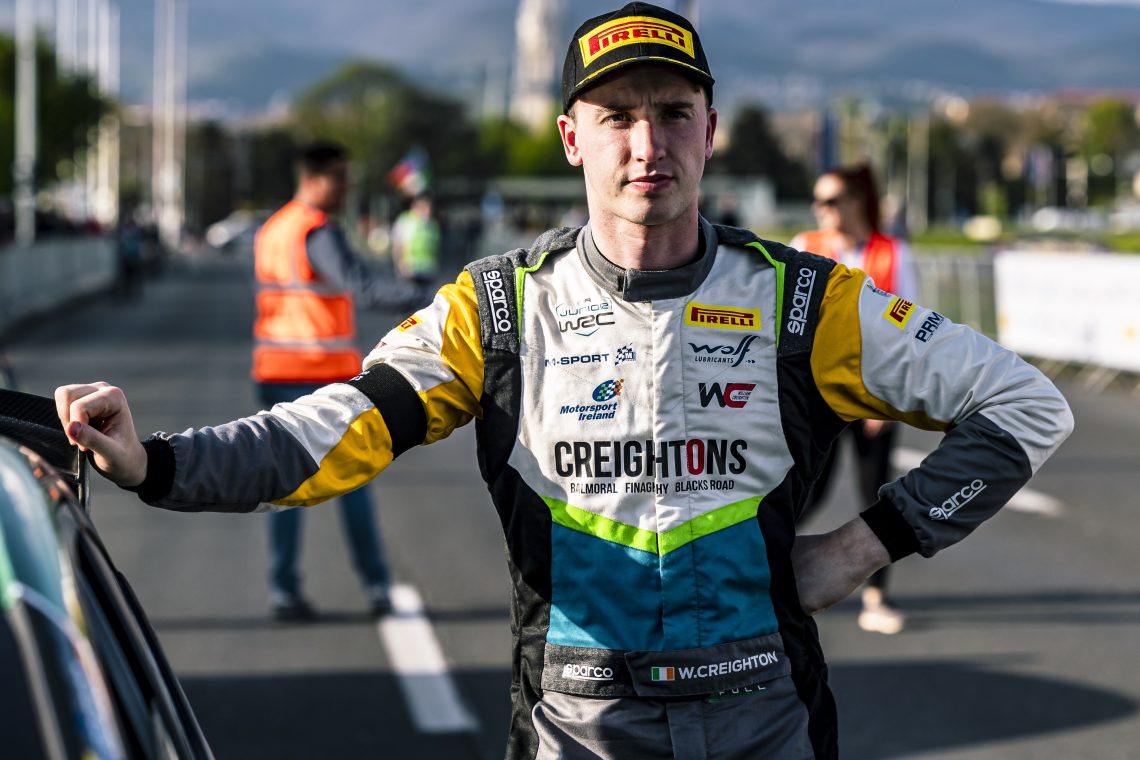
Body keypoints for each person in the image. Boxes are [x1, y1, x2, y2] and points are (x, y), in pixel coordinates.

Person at [55, 3, 1073, 757]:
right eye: (617, 116)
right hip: (580, 730)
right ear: (571, 136)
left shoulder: (806, 299)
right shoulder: (499, 307)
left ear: (711, 127)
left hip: (767, 720)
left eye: (673, 113)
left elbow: (1028, 405)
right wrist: (157, 462)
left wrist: (867, 544)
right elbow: (332, 428)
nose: (648, 145)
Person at [251, 140, 405, 621]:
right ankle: (377, 586)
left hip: (275, 372)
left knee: (284, 490)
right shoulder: (317, 230)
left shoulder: (273, 229)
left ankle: (282, 591)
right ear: (314, 179)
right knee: (354, 482)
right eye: (338, 178)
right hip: (322, 375)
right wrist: (429, 295)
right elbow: (362, 286)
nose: (344, 187)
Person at [790, 164, 920, 635]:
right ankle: (755, 568)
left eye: (831, 200)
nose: (821, 209)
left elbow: (909, 332)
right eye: (818, 200)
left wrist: (886, 399)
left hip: (874, 399)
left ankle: (877, 597)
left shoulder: (893, 252)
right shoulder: (805, 248)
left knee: (877, 496)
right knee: (804, 493)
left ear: (857, 201)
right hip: (818, 400)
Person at [390, 193, 441, 298]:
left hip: (428, 270)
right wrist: (399, 265)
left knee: (427, 302)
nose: (428, 211)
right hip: (410, 270)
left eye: (429, 208)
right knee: (410, 300)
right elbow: (397, 245)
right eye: (424, 208)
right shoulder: (406, 221)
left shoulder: (432, 224)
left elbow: (434, 248)